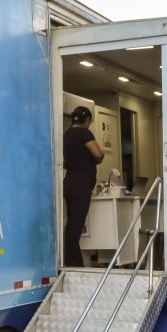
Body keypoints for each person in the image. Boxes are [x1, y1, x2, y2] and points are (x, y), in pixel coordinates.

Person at [63, 107, 104, 267]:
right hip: (81, 184)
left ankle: (73, 261)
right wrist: (97, 160)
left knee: (72, 223)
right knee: (75, 226)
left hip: (70, 181)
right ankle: (74, 263)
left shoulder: (66, 135)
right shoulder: (84, 133)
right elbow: (98, 154)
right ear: (87, 120)